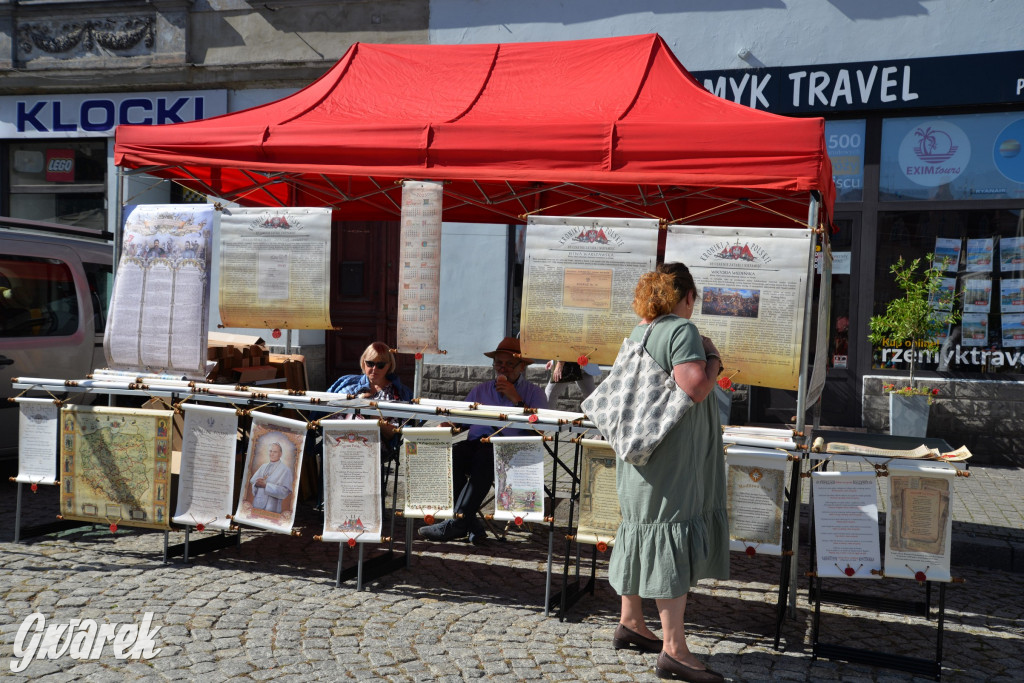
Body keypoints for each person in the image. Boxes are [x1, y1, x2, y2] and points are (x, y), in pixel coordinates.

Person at [609, 263, 729, 683]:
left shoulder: (640, 331)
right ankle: (675, 650)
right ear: (688, 296)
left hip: (640, 457)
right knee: (668, 537)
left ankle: (631, 621)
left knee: (641, 529)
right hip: (670, 462)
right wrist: (713, 358)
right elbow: (694, 387)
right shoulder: (681, 330)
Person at [417, 336, 548, 544]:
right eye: (498, 363)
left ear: (521, 367)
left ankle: (458, 522)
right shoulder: (481, 390)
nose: (502, 368)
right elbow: (462, 422)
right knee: (452, 454)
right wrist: (449, 427)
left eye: (509, 364)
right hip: (477, 445)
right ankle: (469, 523)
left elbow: (540, 433)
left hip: (514, 452)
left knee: (486, 457)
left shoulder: (535, 393)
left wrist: (517, 401)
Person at [328, 341, 413, 461]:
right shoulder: (349, 386)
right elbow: (330, 415)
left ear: (389, 366)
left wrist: (372, 416)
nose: (374, 369)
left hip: (374, 448)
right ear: (363, 363)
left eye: (380, 365)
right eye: (370, 363)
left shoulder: (397, 393)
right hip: (342, 442)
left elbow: (396, 433)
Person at [249, 440, 295, 513]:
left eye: (275, 452)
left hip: (272, 507)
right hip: (257, 505)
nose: (272, 454)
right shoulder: (263, 466)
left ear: (280, 454)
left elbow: (284, 492)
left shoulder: (286, 470)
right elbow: (253, 482)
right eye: (270, 451)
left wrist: (266, 486)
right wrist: (256, 484)